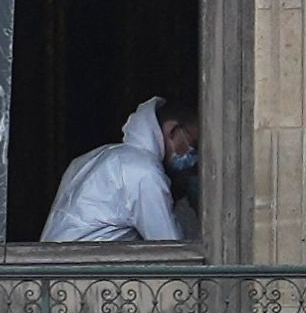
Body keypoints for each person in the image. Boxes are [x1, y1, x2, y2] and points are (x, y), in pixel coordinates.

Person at [40, 96, 199, 242]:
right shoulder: (145, 172)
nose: (195, 156)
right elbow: (170, 247)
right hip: (85, 262)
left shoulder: (92, 158)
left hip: (52, 261)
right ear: (173, 130)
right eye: (194, 145)